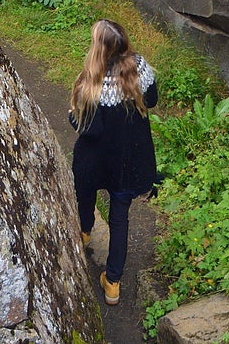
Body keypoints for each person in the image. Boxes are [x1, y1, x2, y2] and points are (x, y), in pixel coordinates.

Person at [69, 19, 158, 306]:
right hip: (128, 163)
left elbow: (89, 129)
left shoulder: (92, 81)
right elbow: (153, 99)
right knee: (120, 220)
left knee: (85, 194)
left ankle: (84, 231)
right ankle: (113, 282)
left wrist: (74, 114)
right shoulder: (139, 67)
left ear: (99, 48)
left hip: (96, 161)